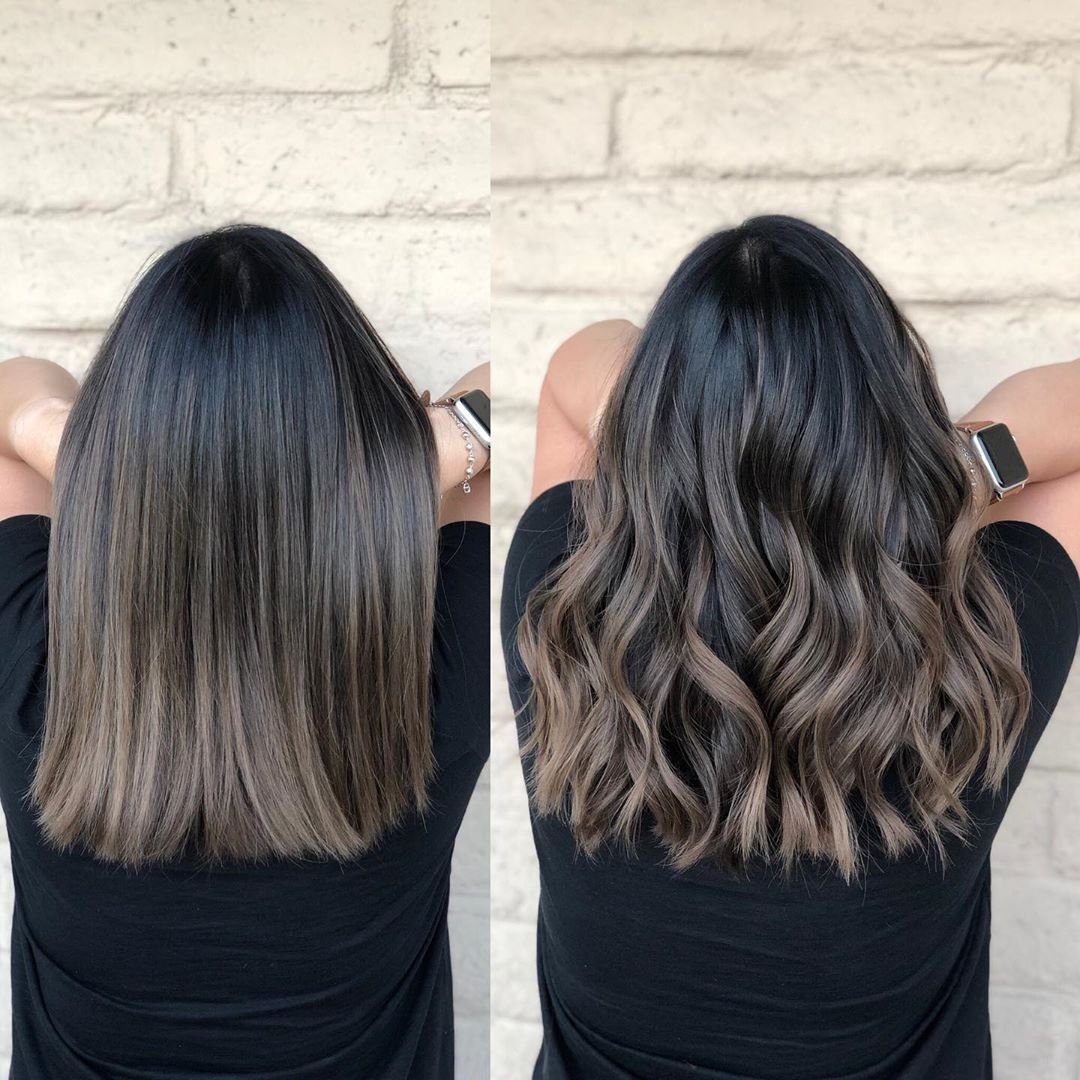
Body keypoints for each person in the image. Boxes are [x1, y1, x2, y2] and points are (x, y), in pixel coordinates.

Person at [501, 215, 1080, 1079]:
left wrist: (694, 439)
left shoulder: (561, 611)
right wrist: (933, 478)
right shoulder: (988, 647)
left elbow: (580, 362)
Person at [0, 224, 491, 1080]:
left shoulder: (33, 685)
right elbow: (510, 391)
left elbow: (17, 389)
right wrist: (384, 468)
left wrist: (110, 461)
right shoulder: (437, 699)